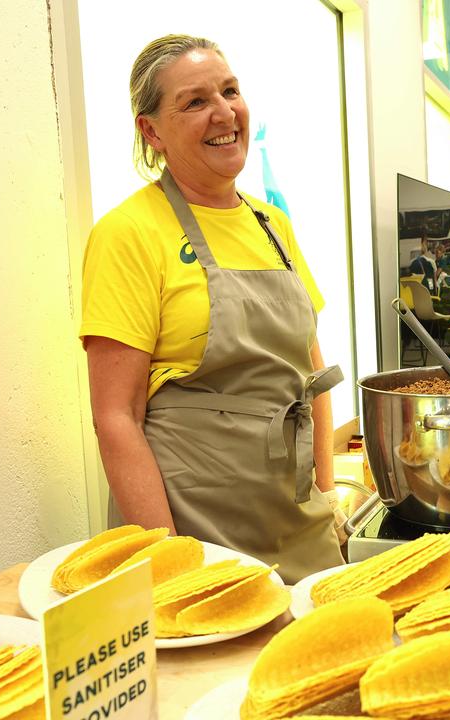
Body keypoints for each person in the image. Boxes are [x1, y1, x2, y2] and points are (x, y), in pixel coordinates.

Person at [79, 34, 343, 583]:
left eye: (230, 91)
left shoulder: (272, 225)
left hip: (296, 519)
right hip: (196, 529)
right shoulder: (128, 233)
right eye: (195, 101)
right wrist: (171, 562)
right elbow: (116, 418)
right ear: (150, 131)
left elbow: (310, 374)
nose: (224, 112)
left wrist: (325, 490)